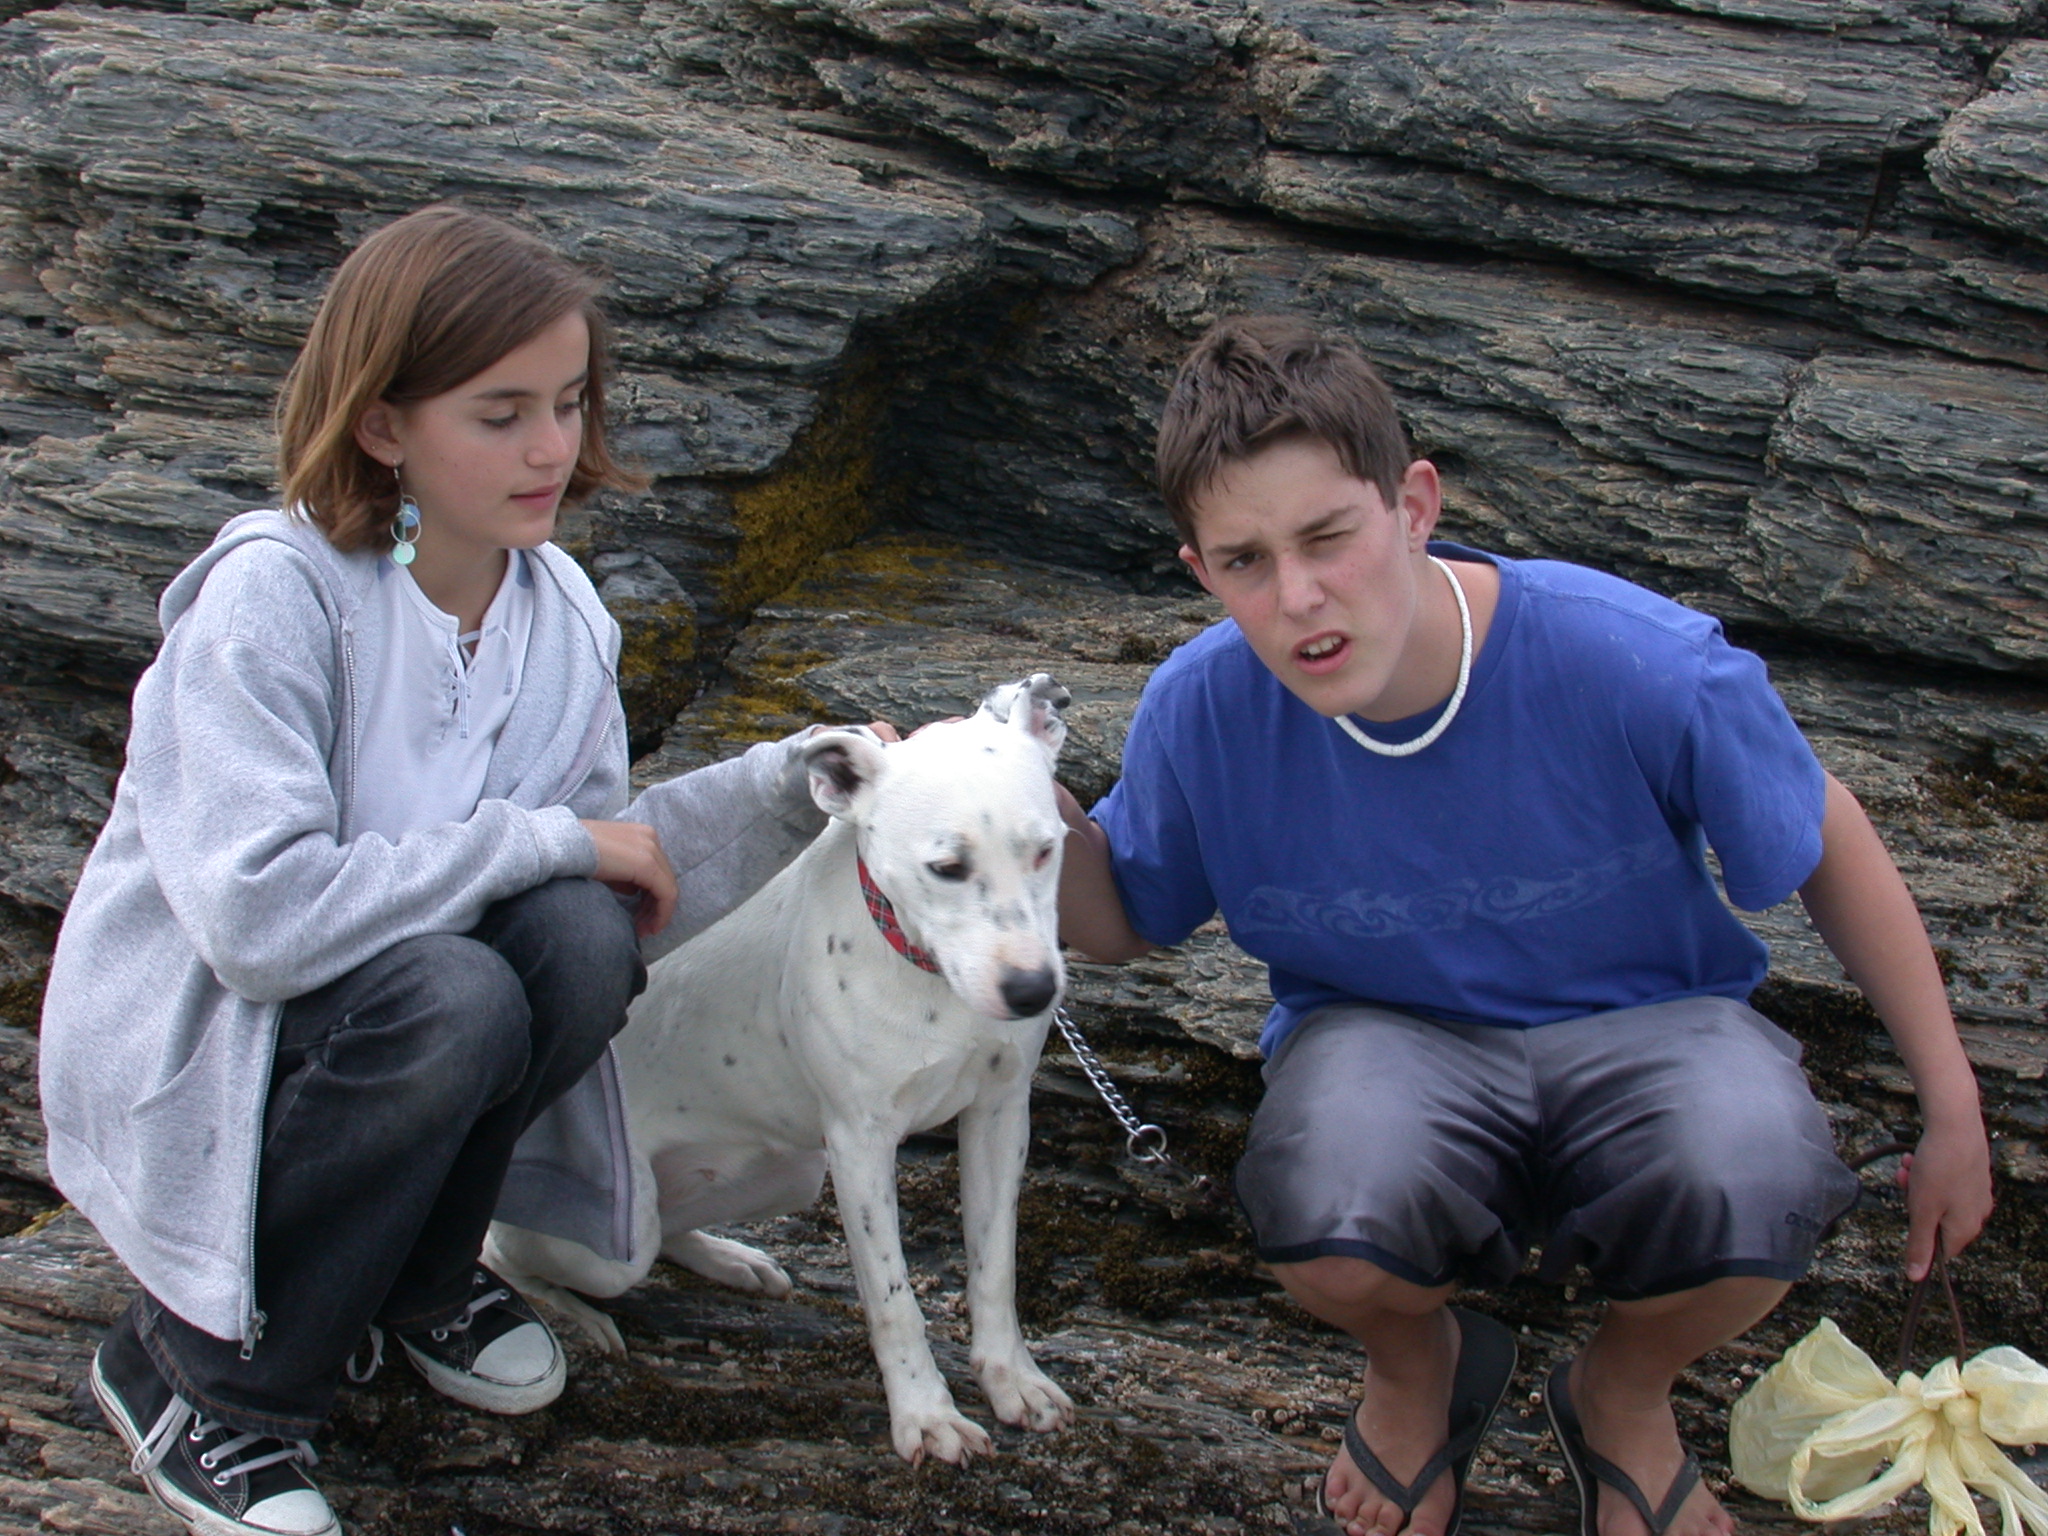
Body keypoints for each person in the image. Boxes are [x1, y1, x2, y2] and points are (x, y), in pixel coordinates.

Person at [1056, 316, 1994, 1536]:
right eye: (1245, 562)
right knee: (1319, 1215)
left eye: (1328, 537)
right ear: (1200, 571)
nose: (1297, 598)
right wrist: (995, 810)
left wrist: (1950, 1104)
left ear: (1413, 505)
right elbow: (1122, 919)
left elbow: (1822, 834)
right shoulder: (1199, 710)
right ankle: (1420, 1367)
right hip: (1381, 1036)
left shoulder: (1634, 660)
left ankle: (1619, 1393)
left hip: (1654, 1021)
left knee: (1758, 1185)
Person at [38, 205, 848, 1536]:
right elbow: (257, 921)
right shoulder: (276, 597)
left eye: (570, 403)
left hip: (391, 1030)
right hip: (211, 1042)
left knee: (575, 942)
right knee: (460, 995)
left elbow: (604, 886)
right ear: (381, 424)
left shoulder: (558, 616)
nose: (554, 448)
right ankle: (197, 1376)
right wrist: (548, 843)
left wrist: (788, 787)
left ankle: (412, 1272)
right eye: (500, 413)